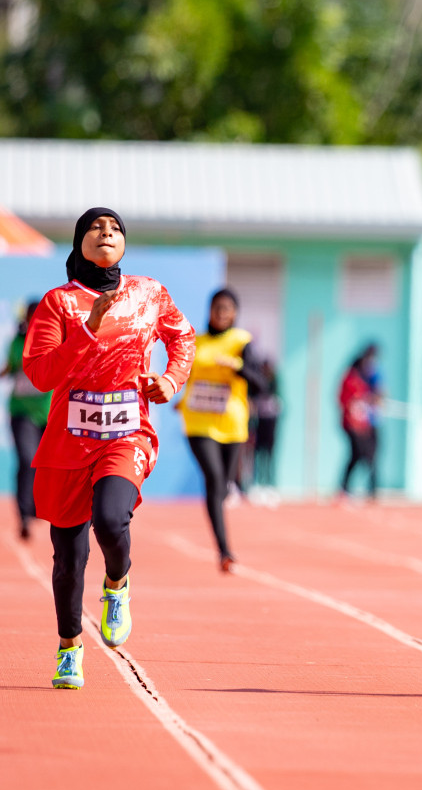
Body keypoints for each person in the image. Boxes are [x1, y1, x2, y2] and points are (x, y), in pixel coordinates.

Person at [22, 207, 195, 689]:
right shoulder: (58, 303)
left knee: (112, 518)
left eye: (115, 228)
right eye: (95, 227)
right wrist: (86, 328)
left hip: (126, 433)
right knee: (68, 560)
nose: (106, 233)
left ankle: (117, 585)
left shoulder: (148, 293)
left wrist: (170, 378)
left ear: (124, 244)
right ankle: (69, 648)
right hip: (68, 441)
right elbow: (39, 374)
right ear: (79, 243)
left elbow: (182, 337)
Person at [180, 288, 263, 572]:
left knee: (225, 485)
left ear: (235, 313)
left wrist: (238, 367)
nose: (221, 313)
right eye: (217, 307)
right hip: (198, 422)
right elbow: (181, 374)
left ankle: (226, 495)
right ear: (209, 309)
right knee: (214, 479)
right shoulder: (196, 341)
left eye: (227, 308)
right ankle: (224, 550)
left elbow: (261, 384)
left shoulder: (242, 342)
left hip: (232, 424)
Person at [3, 301, 50, 540]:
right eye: (32, 316)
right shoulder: (16, 343)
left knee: (48, 464)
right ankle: (23, 515)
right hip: (21, 412)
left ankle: (37, 508)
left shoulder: (54, 341)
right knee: (26, 459)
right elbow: (9, 369)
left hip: (50, 413)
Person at [339, 344, 383, 499]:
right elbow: (346, 401)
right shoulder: (351, 380)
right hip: (353, 425)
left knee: (369, 456)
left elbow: (377, 395)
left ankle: (372, 488)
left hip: (364, 425)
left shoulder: (367, 379)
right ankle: (345, 487)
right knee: (357, 454)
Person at [250, 357, 282, 496]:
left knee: (270, 453)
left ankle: (270, 483)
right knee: (257, 453)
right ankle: (257, 483)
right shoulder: (255, 383)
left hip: (270, 422)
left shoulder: (275, 382)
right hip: (259, 421)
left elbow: (277, 398)